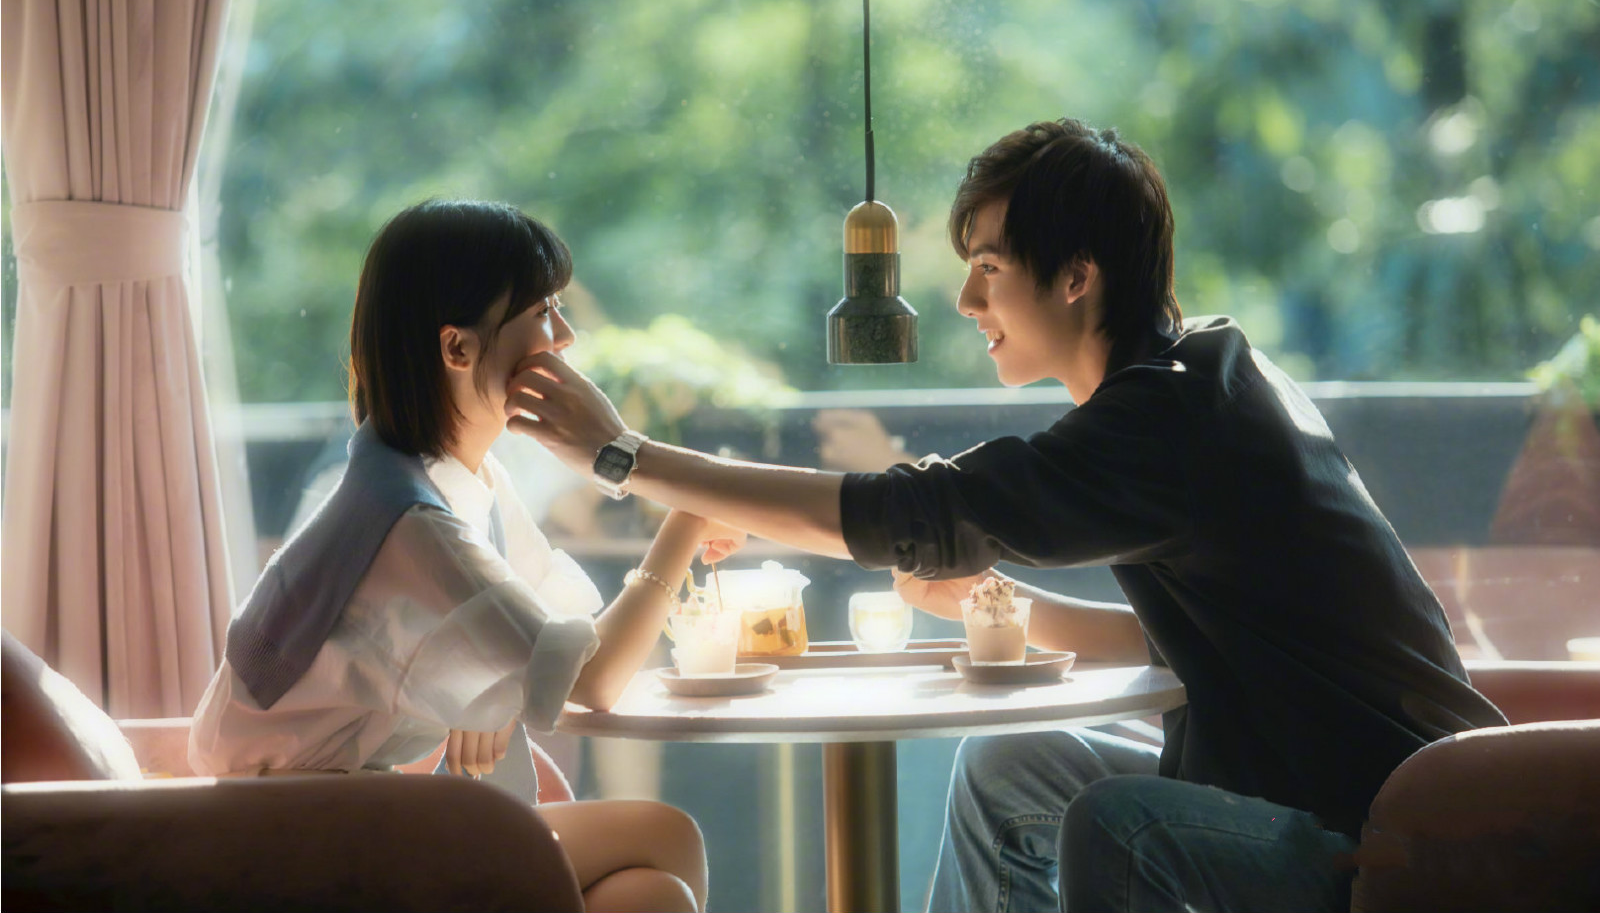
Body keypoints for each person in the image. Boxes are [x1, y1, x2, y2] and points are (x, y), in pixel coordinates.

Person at [506, 119, 1507, 913]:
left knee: (1117, 821)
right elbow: (1205, 644)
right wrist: (1003, 608)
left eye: (987, 266)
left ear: (1076, 276)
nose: (963, 297)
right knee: (1009, 762)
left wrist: (626, 456)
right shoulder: (1194, 379)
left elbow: (913, 509)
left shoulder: (1168, 420)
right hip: (1308, 787)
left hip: (1385, 831)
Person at [191, 199, 738, 913]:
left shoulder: (444, 477)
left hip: (346, 805)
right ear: (457, 348)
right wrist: (686, 520)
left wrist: (496, 684)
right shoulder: (410, 520)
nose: (566, 336)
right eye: (542, 312)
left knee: (649, 893)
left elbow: (551, 626)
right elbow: (592, 678)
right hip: (298, 833)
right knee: (665, 836)